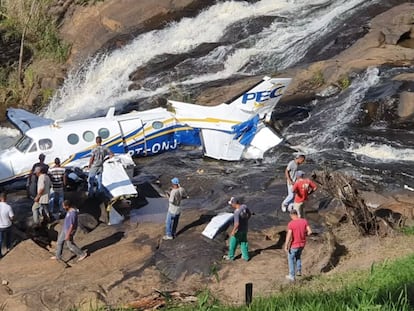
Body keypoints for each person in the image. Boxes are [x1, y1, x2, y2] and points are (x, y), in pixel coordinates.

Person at [284, 209, 312, 281]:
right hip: (302, 244)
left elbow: (289, 235)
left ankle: (291, 276)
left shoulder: (291, 223)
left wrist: (286, 245)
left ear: (292, 215)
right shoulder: (304, 221)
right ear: (297, 214)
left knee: (290, 258)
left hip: (294, 244)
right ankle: (299, 270)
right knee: (298, 256)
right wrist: (305, 234)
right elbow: (310, 231)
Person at [223, 197, 251, 261]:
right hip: (245, 228)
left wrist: (233, 231)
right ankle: (246, 256)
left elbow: (237, 224)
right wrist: (245, 220)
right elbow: (249, 214)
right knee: (243, 242)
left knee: (232, 243)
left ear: (234, 203)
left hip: (238, 230)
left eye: (231, 204)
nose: (231, 205)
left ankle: (230, 256)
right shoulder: (244, 207)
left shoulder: (236, 212)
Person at [0, 193, 14, 258]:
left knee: (0, 240)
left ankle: (0, 254)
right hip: (8, 225)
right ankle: (8, 248)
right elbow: (12, 217)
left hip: (0, 227)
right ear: (6, 198)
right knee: (9, 237)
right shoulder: (8, 207)